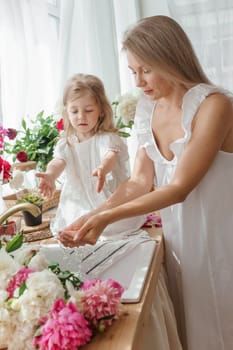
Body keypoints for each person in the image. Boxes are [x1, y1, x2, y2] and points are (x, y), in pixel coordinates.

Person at [58, 16, 233, 350]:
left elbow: (179, 188)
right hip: (183, 249)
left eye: (146, 69)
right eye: (132, 71)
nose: (138, 81)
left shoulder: (215, 105)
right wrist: (92, 214)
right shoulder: (148, 109)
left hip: (224, 246)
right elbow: (139, 181)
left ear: (170, 58)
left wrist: (104, 218)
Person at [36, 73, 145, 237]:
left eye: (88, 110)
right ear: (66, 112)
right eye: (74, 111)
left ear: (101, 111)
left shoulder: (105, 138)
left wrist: (103, 168)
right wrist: (50, 175)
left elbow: (109, 156)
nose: (81, 116)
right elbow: (58, 161)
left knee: (110, 227)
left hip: (106, 200)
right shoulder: (67, 143)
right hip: (78, 201)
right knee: (74, 226)